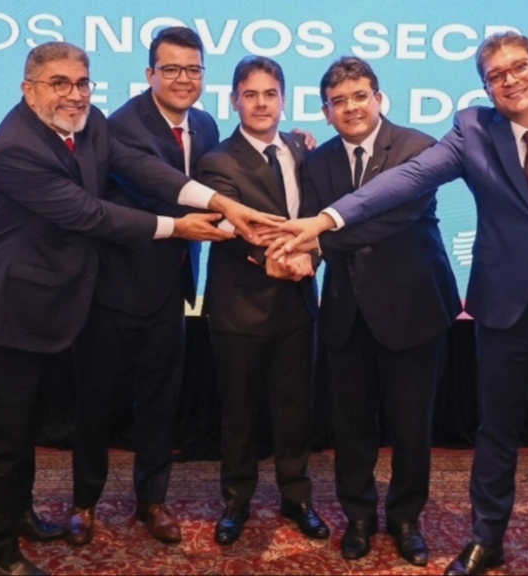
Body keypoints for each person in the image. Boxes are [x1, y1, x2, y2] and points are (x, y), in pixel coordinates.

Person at [268, 32, 528, 576]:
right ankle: (487, 540)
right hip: (503, 312)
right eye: (496, 75)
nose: (510, 80)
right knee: (494, 436)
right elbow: (408, 179)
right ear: (486, 87)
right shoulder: (474, 130)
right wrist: (326, 219)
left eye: (518, 67)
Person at [0, 41, 277, 576]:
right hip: (7, 315)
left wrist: (220, 202)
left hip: (49, 309)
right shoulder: (15, 148)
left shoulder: (89, 124)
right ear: (28, 89)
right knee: (0, 444)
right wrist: (177, 227)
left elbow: (140, 168)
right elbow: (90, 214)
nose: (74, 94)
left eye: (82, 82)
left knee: (25, 429)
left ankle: (19, 517)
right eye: (59, 83)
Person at [297, 56, 461, 566]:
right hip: (346, 313)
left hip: (414, 309)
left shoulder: (419, 149)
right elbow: (311, 223)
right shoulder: (317, 163)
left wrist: (319, 238)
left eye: (359, 96)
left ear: (378, 98)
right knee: (351, 427)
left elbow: (392, 218)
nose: (351, 108)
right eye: (338, 101)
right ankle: (360, 516)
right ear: (326, 112)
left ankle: (406, 518)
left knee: (412, 425)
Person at [68, 26, 221, 547]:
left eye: (193, 69)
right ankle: (83, 503)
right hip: (116, 289)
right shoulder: (122, 125)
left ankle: (152, 500)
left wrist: (292, 143)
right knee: (97, 403)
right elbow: (160, 187)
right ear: (149, 73)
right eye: (171, 68)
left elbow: (223, 177)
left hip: (172, 287)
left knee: (160, 402)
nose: (183, 79)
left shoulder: (205, 124)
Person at [196, 55, 329, 546]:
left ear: (283, 100)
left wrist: (310, 256)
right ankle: (236, 500)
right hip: (241, 308)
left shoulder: (300, 148)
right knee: (240, 413)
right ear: (234, 101)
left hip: (298, 304)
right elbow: (232, 228)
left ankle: (297, 497)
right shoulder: (216, 161)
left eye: (269, 94)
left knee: (295, 410)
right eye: (249, 94)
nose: (260, 103)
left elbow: (316, 213)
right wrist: (280, 257)